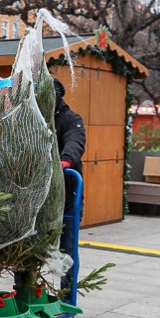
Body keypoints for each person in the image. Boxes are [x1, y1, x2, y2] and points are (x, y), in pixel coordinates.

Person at [53, 76, 86, 215]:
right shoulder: (33, 119)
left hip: (66, 189)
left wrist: (66, 160)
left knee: (68, 232)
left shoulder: (71, 120)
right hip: (37, 190)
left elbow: (74, 140)